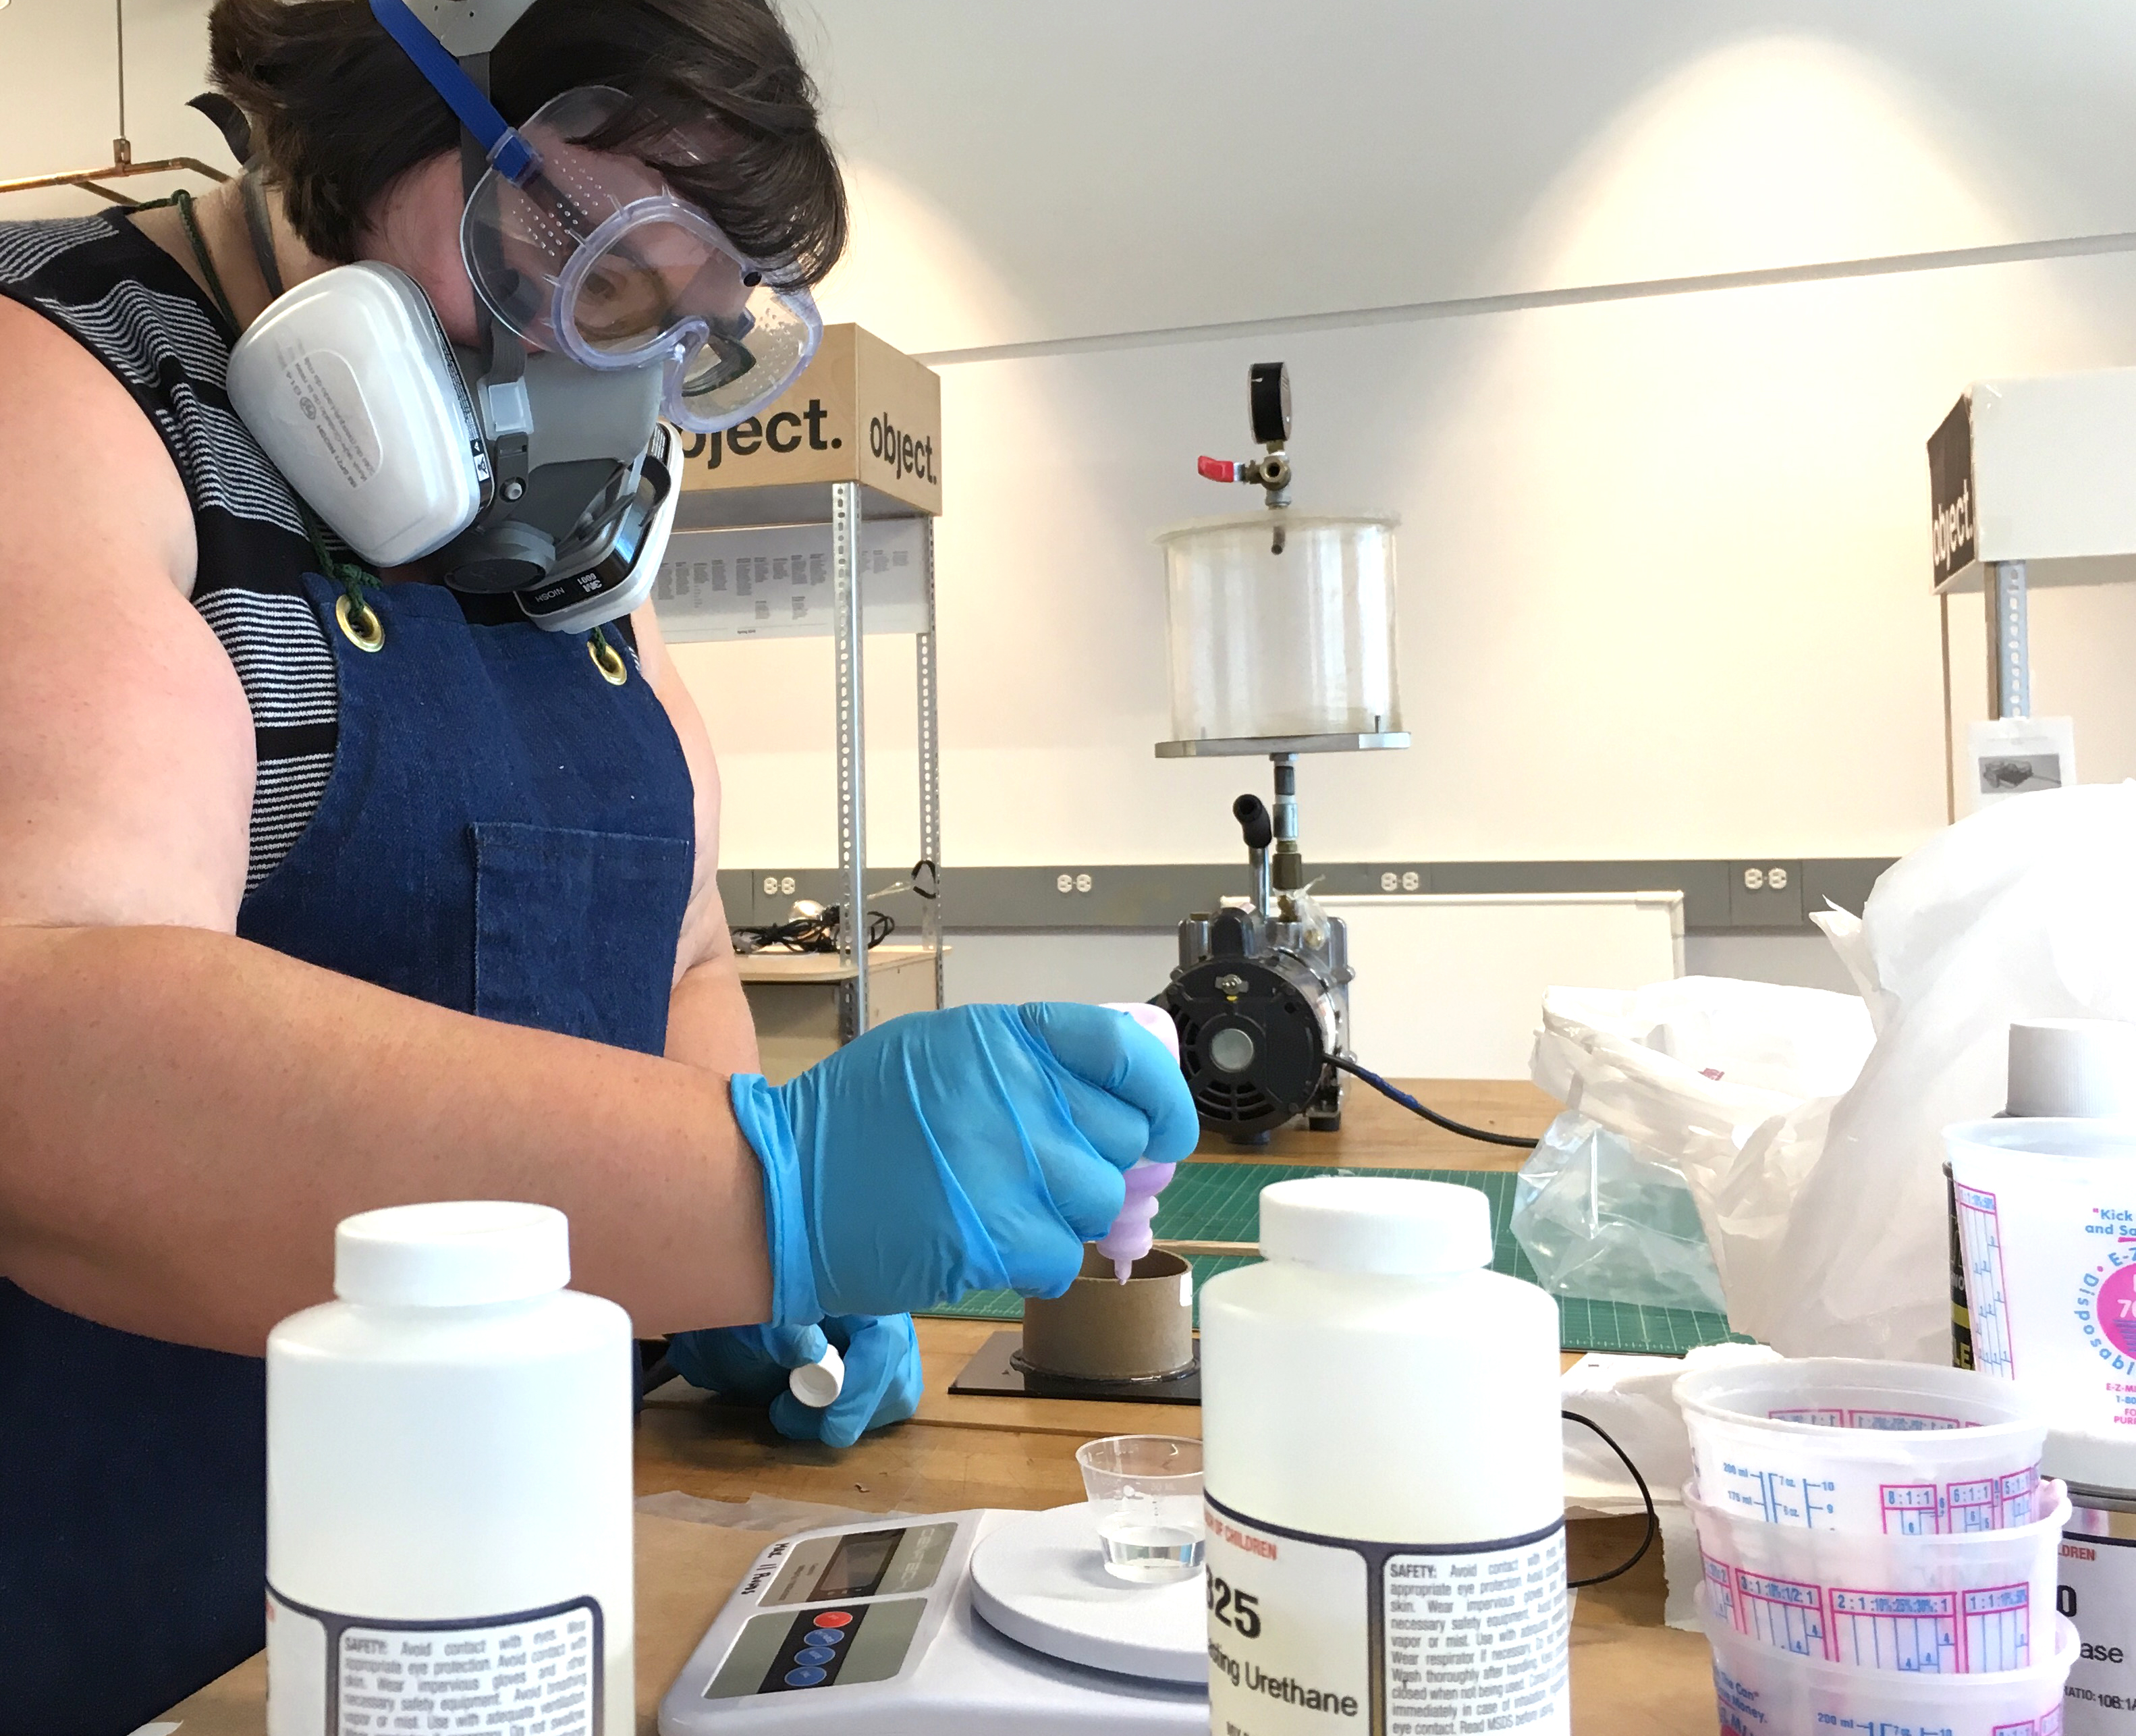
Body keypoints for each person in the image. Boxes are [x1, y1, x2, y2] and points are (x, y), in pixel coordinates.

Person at [0, 1, 1197, 1729]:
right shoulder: (61, 382)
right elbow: (50, 1038)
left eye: (684, 322)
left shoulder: (534, 538)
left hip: (514, 1594)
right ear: (369, 97)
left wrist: (731, 1282)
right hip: (134, 1626)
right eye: (595, 259)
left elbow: (679, 958)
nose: (614, 366)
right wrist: (765, 1182)